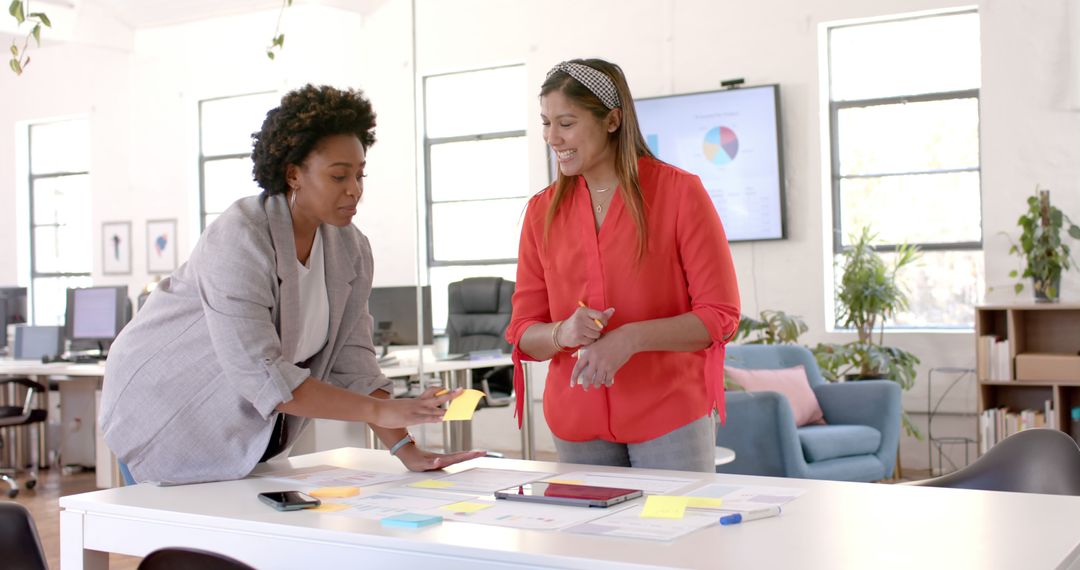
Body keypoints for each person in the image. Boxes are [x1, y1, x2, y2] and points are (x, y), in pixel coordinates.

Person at [100, 85, 483, 485]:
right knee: (182, 544)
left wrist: (406, 450)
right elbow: (262, 375)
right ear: (292, 173)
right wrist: (381, 411)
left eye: (359, 173)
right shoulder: (240, 236)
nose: (354, 189)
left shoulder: (350, 249)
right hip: (163, 407)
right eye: (339, 175)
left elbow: (355, 365)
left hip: (241, 428)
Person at [506, 59, 740, 473]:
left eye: (566, 123)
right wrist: (562, 333)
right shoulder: (541, 212)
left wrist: (629, 339)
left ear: (612, 120)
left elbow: (719, 316)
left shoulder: (679, 193)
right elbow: (524, 333)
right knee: (594, 540)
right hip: (576, 421)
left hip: (669, 416)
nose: (552, 138)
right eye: (546, 123)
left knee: (677, 536)